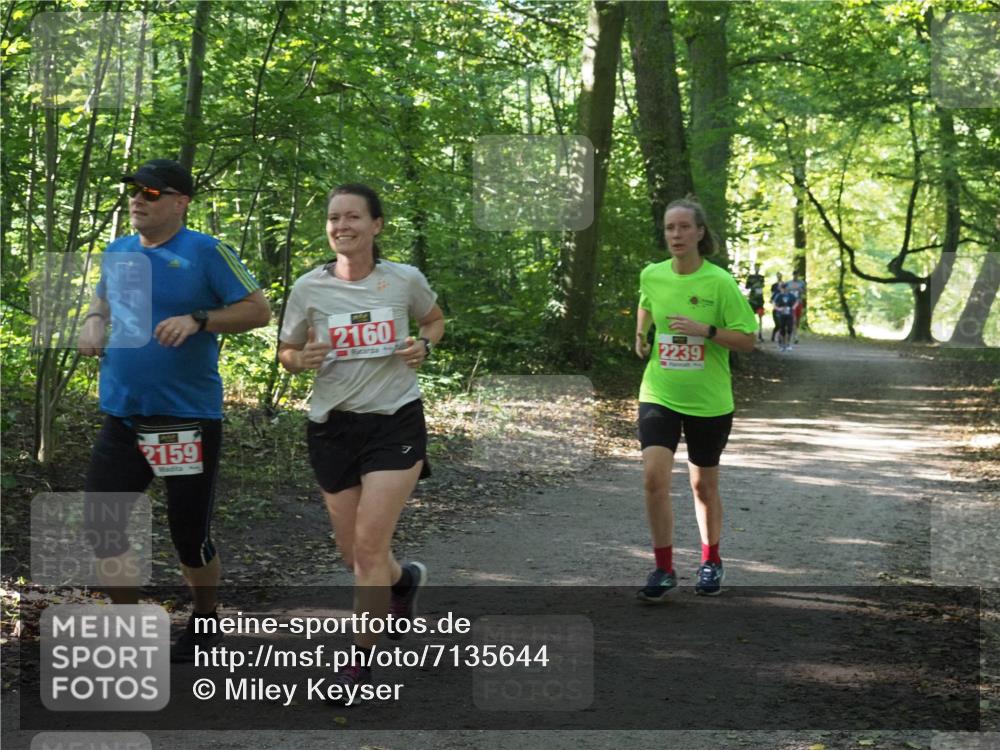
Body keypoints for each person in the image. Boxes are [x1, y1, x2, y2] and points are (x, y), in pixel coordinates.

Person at [77, 158, 271, 661]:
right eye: (133, 191)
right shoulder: (119, 251)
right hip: (123, 417)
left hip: (182, 422)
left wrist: (199, 318)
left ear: (180, 201)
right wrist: (93, 320)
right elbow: (101, 302)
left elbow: (258, 310)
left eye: (151, 193)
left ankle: (206, 619)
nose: (137, 200)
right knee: (102, 525)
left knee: (188, 536)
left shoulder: (206, 251)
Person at [278, 183, 444, 700]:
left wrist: (424, 345)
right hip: (332, 426)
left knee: (370, 545)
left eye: (352, 217)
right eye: (334, 218)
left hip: (395, 422)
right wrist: (298, 359)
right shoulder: (308, 287)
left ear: (376, 225)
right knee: (354, 555)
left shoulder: (403, 279)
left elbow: (434, 321)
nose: (341, 226)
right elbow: (286, 350)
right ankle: (402, 582)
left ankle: (359, 664)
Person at [634, 198, 757, 601]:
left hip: (709, 400)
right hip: (660, 391)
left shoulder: (719, 283)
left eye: (684, 227)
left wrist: (705, 330)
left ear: (700, 233)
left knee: (702, 486)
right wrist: (640, 334)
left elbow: (747, 340)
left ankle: (711, 560)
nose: (676, 235)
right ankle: (663, 568)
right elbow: (646, 302)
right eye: (670, 228)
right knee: (654, 478)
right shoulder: (652, 274)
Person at [772, 281, 796, 352]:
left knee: (789, 329)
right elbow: (774, 304)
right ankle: (782, 344)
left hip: (789, 314)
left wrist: (793, 307)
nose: (785, 289)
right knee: (782, 329)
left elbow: (796, 301)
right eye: (784, 288)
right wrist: (779, 309)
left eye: (786, 288)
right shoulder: (778, 296)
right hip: (781, 315)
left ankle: (788, 344)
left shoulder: (791, 296)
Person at [745, 263, 766, 342]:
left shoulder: (761, 277)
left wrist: (756, 286)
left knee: (760, 317)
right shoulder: (750, 277)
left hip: (760, 300)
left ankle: (760, 334)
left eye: (758, 267)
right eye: (756, 267)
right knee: (750, 317)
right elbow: (747, 286)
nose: (757, 269)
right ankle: (751, 334)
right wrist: (754, 286)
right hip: (752, 300)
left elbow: (762, 286)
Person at [786, 270, 807, 344]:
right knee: (793, 319)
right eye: (795, 275)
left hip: (799, 302)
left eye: (797, 275)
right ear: (793, 275)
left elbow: (805, 291)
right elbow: (785, 291)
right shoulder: (788, 283)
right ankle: (794, 336)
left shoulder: (801, 283)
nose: (796, 276)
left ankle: (795, 333)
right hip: (791, 303)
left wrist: (800, 290)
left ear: (798, 275)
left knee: (798, 320)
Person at [769, 272, 783, 342]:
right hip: (776, 309)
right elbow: (771, 300)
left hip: (783, 310)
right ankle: (774, 335)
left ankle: (780, 337)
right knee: (778, 324)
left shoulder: (785, 292)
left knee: (782, 324)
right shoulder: (774, 288)